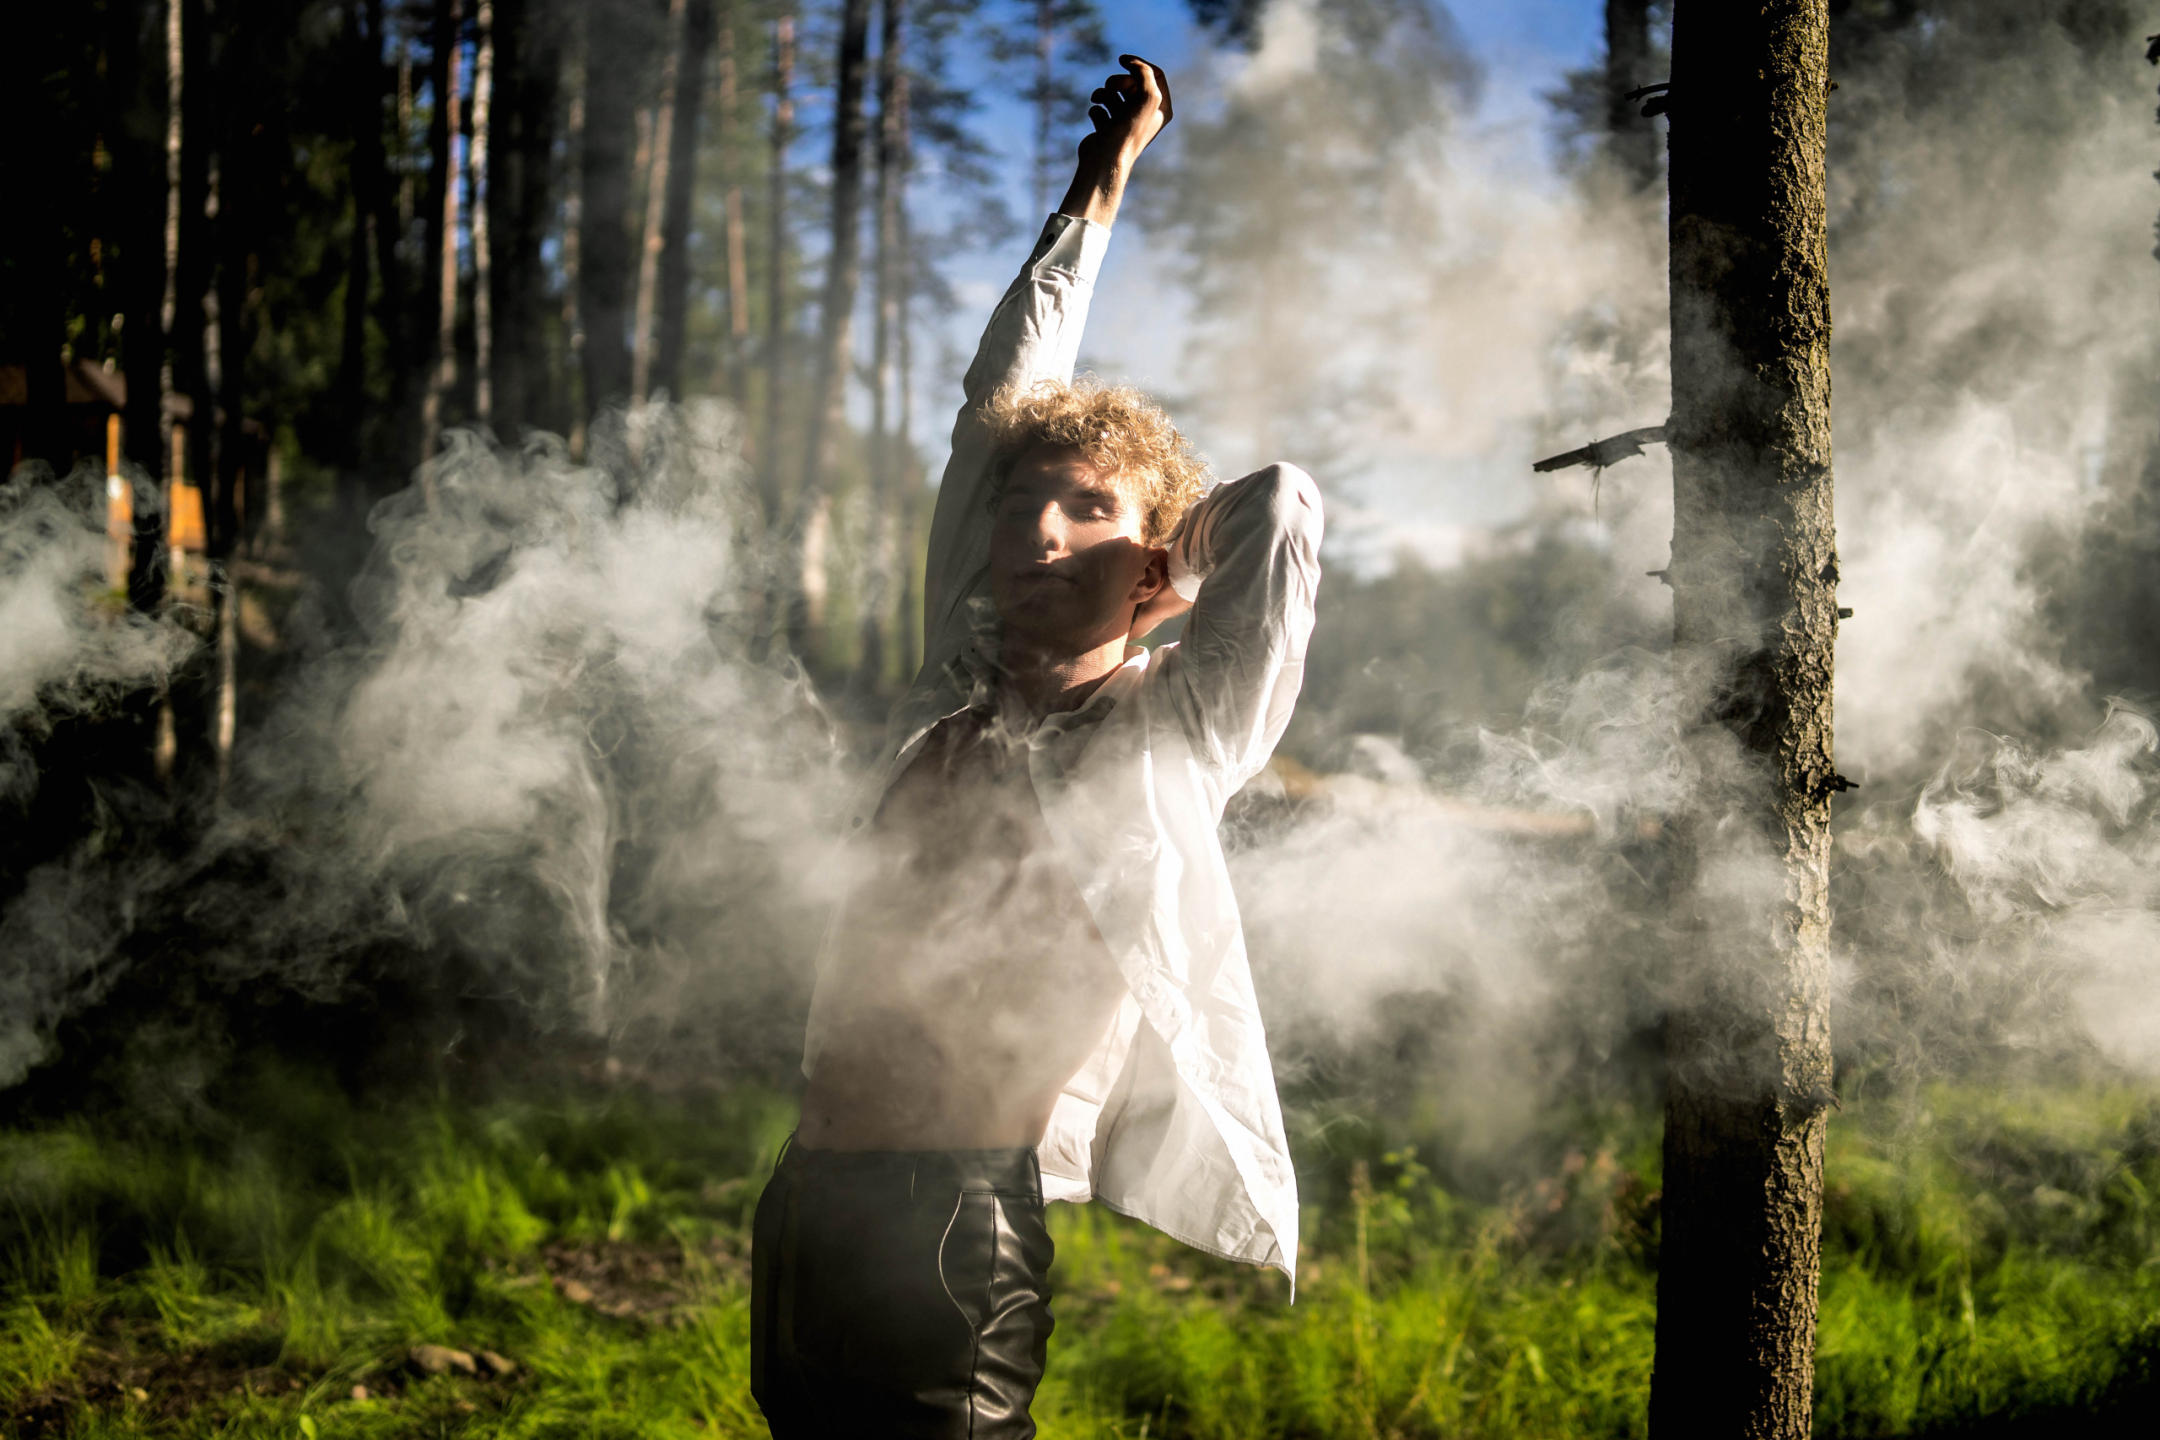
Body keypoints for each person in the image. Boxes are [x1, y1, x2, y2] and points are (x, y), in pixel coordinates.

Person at [750, 52, 1323, 1439]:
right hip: (808, 1197)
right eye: (1020, 513)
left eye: (1085, 512)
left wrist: (1159, 563)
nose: (1037, 535)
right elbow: (993, 407)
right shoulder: (954, 696)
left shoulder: (1168, 734)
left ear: (1152, 560)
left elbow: (1281, 509)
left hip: (952, 1226)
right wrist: (1095, 192)